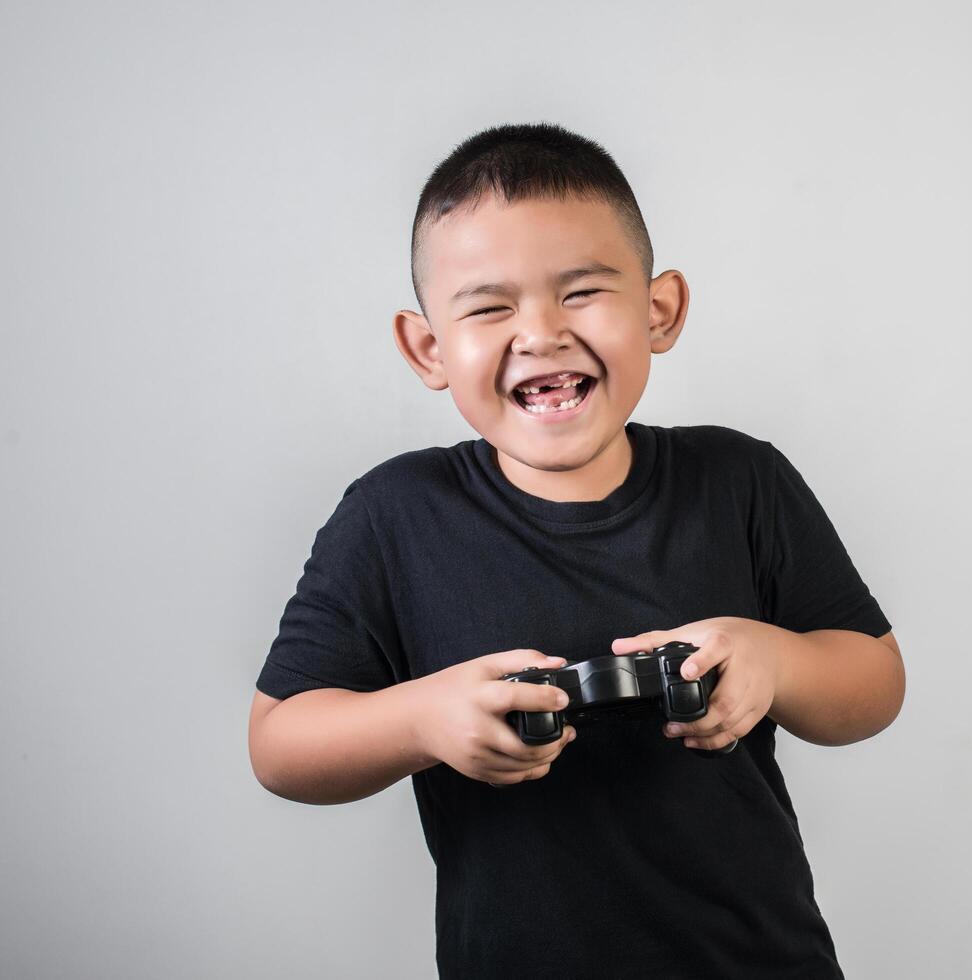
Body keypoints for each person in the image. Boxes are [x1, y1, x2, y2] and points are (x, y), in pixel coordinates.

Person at [247, 121, 905, 979]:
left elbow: (874, 682)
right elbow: (279, 744)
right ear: (427, 348)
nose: (541, 333)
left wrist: (771, 661)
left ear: (658, 309)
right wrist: (422, 719)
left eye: (582, 292)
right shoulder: (392, 517)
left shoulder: (739, 479)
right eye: (488, 306)